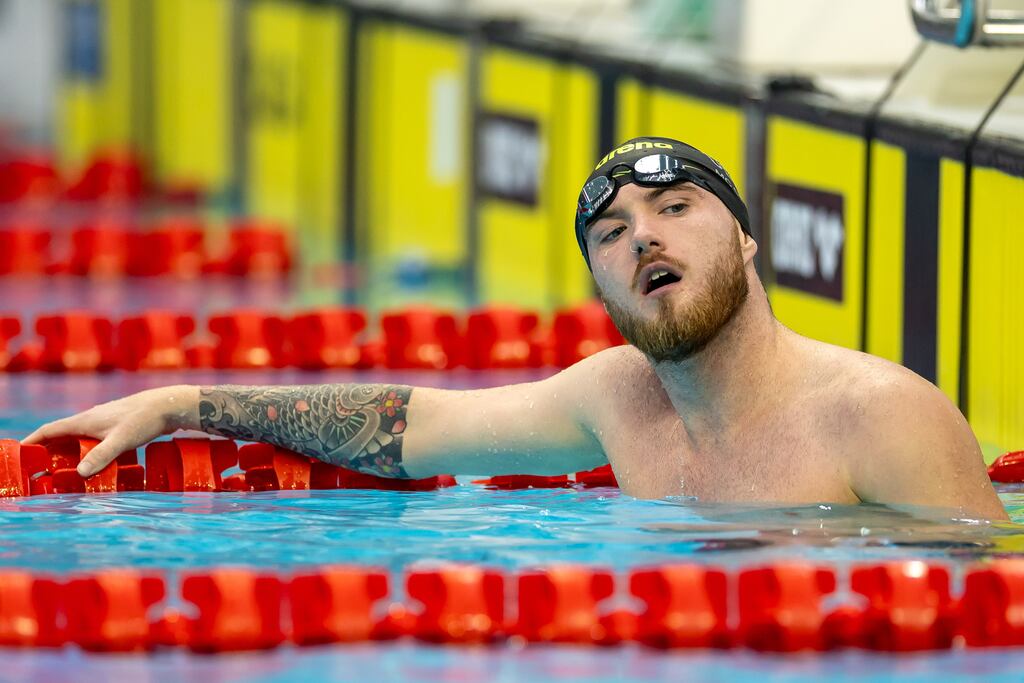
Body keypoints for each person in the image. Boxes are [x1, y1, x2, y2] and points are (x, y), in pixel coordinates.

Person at [24, 137, 1008, 520]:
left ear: (747, 240)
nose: (643, 237)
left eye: (675, 209)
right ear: (602, 285)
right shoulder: (617, 396)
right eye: (612, 233)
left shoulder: (879, 415)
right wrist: (184, 402)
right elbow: (412, 427)